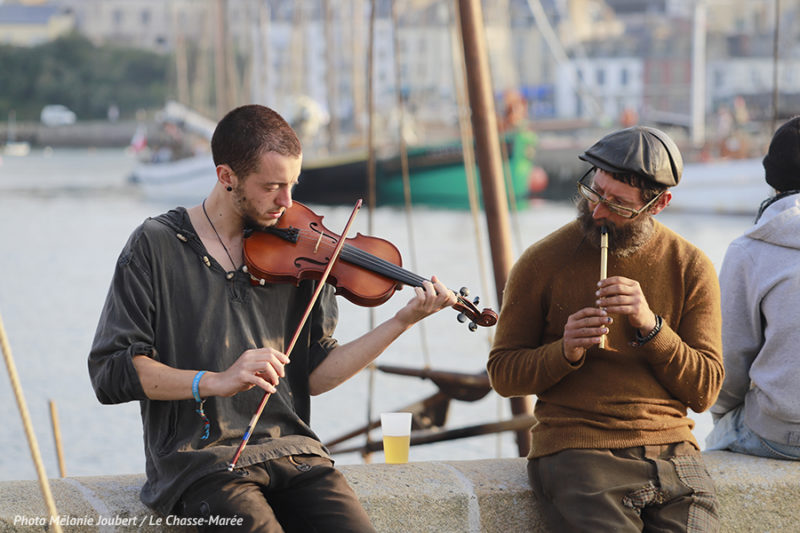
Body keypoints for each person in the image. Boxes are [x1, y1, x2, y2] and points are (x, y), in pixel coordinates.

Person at [88, 104, 456, 532]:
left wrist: (401, 321)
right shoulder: (156, 246)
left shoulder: (305, 253)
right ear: (227, 177)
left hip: (295, 454)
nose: (287, 202)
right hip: (202, 463)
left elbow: (314, 375)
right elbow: (111, 372)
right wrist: (215, 380)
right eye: (272, 187)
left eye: (293, 185)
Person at [487, 126, 724, 531]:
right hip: (577, 448)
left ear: (659, 203)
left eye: (618, 204)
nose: (597, 211)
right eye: (594, 192)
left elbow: (705, 391)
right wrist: (565, 351)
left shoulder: (691, 266)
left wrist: (652, 328)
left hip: (673, 453)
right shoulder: (541, 261)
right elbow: (503, 374)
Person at [706, 116, 800, 461]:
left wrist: (722, 413)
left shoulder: (750, 249)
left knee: (711, 443)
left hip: (782, 433)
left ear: (772, 178)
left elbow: (727, 361)